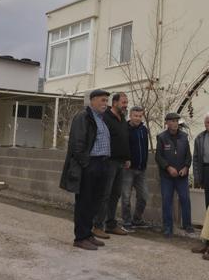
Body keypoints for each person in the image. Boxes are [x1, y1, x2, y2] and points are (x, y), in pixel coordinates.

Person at [59, 89, 111, 251]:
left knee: (94, 203)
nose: (105, 104)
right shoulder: (83, 117)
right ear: (92, 101)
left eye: (106, 101)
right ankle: (80, 237)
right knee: (84, 202)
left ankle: (88, 234)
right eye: (102, 100)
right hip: (89, 165)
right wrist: (86, 164)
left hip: (101, 164)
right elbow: (77, 144)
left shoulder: (100, 119)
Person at [92, 92, 131, 238]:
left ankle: (110, 224)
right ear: (114, 103)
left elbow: (124, 139)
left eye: (126, 103)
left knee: (116, 194)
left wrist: (127, 157)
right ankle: (97, 226)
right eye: (123, 102)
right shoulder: (105, 117)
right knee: (105, 194)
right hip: (109, 162)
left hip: (121, 162)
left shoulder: (122, 118)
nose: (126, 105)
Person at [155, 112, 194, 237]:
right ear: (167, 123)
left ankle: (187, 224)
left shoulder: (184, 136)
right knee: (167, 200)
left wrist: (186, 167)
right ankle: (167, 227)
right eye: (172, 121)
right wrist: (168, 167)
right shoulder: (161, 137)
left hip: (181, 176)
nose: (175, 123)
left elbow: (188, 155)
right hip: (167, 176)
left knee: (185, 199)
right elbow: (158, 157)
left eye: (177, 121)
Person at [120, 106, 150, 230]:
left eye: (139, 116)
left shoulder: (144, 130)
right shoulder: (125, 129)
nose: (137, 118)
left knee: (143, 196)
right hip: (128, 169)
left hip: (141, 169)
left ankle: (137, 219)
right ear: (130, 116)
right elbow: (122, 146)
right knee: (126, 196)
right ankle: (126, 221)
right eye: (135, 116)